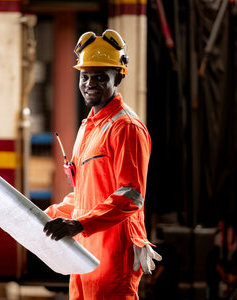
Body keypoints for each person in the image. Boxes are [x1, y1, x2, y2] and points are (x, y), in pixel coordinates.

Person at [43, 29, 161, 300]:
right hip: (84, 250)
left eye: (100, 77)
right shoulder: (88, 127)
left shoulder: (126, 127)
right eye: (85, 76)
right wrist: (46, 215)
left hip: (113, 251)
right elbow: (87, 193)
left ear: (118, 76)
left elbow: (130, 196)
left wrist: (78, 225)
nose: (90, 83)